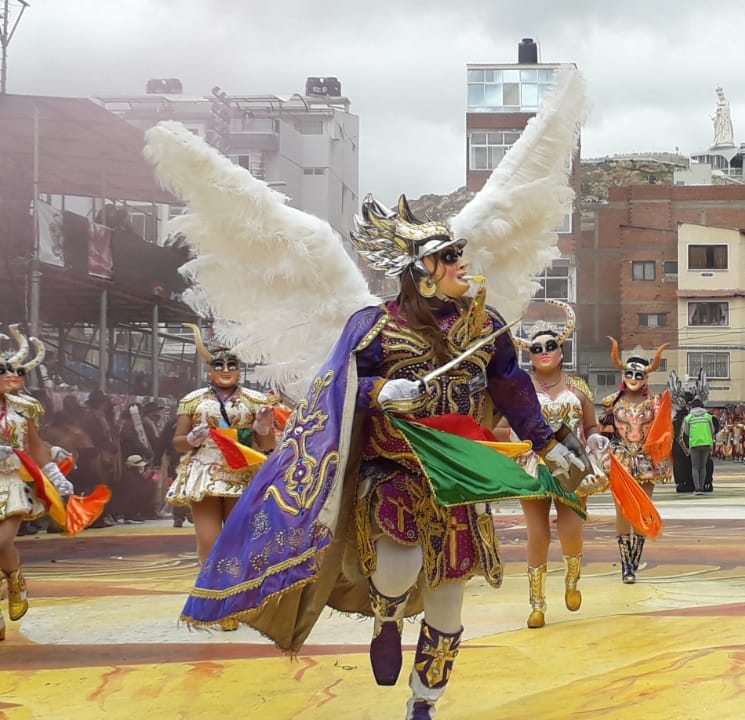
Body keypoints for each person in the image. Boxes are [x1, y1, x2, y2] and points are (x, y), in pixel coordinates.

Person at [181, 196, 590, 718]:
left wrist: (549, 444)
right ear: (420, 272)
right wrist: (378, 391)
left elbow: (510, 388)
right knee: (398, 567)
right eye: (448, 256)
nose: (462, 263)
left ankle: (424, 704)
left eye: (460, 253)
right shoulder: (373, 325)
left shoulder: (486, 328)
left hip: (457, 479)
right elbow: (332, 387)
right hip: (392, 471)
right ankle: (388, 615)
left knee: (448, 602)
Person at [505, 301, 604, 629]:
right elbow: (502, 427)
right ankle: (537, 604)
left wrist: (596, 440)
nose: (544, 352)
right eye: (536, 348)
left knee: (571, 529)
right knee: (537, 534)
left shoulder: (579, 388)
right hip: (533, 464)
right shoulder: (519, 391)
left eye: (551, 346)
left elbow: (591, 427)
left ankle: (572, 582)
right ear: (529, 355)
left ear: (561, 352)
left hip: (572, 463)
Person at [168, 324, 278, 599]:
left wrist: (263, 428)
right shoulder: (192, 401)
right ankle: (214, 593)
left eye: (232, 364)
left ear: (240, 369)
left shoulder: (256, 400)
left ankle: (235, 593)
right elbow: (177, 442)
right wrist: (192, 439)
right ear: (209, 369)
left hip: (243, 471)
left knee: (238, 538)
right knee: (208, 540)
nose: (225, 369)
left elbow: (267, 446)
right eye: (219, 365)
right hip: (204, 472)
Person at [0, 328, 74, 640]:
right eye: (4, 372)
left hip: (10, 483)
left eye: (15, 372)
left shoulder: (24, 409)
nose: (11, 377)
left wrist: (56, 476)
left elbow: (35, 447)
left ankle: (15, 580)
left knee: (2, 543)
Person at [600, 339, 673, 583]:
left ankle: (634, 559)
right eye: (629, 373)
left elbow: (662, 432)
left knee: (643, 510)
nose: (633, 377)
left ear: (646, 377)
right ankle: (626, 567)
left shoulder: (655, 403)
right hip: (620, 461)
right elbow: (604, 434)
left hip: (646, 462)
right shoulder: (611, 402)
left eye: (638, 374)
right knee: (622, 510)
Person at [679, 398, 718, 495]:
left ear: (692, 407)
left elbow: (686, 432)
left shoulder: (688, 418)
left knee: (695, 467)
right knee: (703, 466)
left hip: (695, 443)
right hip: (706, 443)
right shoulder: (708, 417)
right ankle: (702, 487)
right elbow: (713, 430)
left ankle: (697, 489)